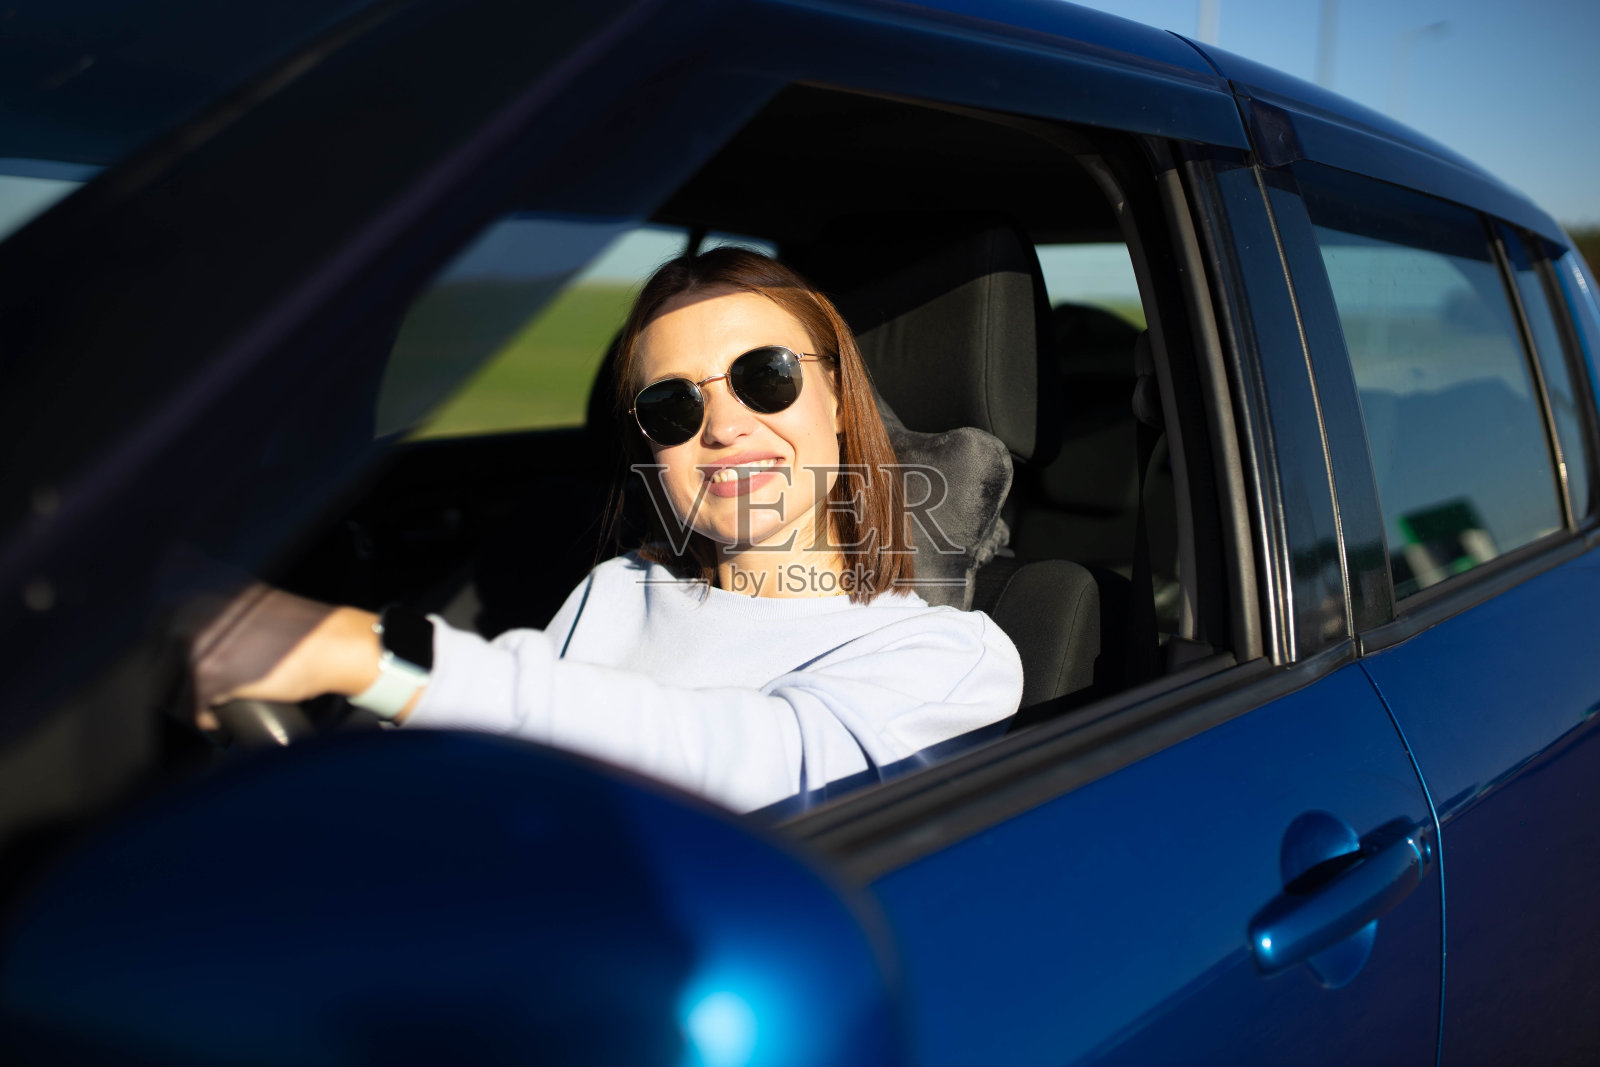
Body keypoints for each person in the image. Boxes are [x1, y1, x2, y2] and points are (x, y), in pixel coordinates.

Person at [191, 248, 1023, 813]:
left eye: (765, 377)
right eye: (675, 403)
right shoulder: (618, 588)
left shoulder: (951, 659)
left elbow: (766, 764)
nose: (726, 428)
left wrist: (373, 651)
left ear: (840, 398)